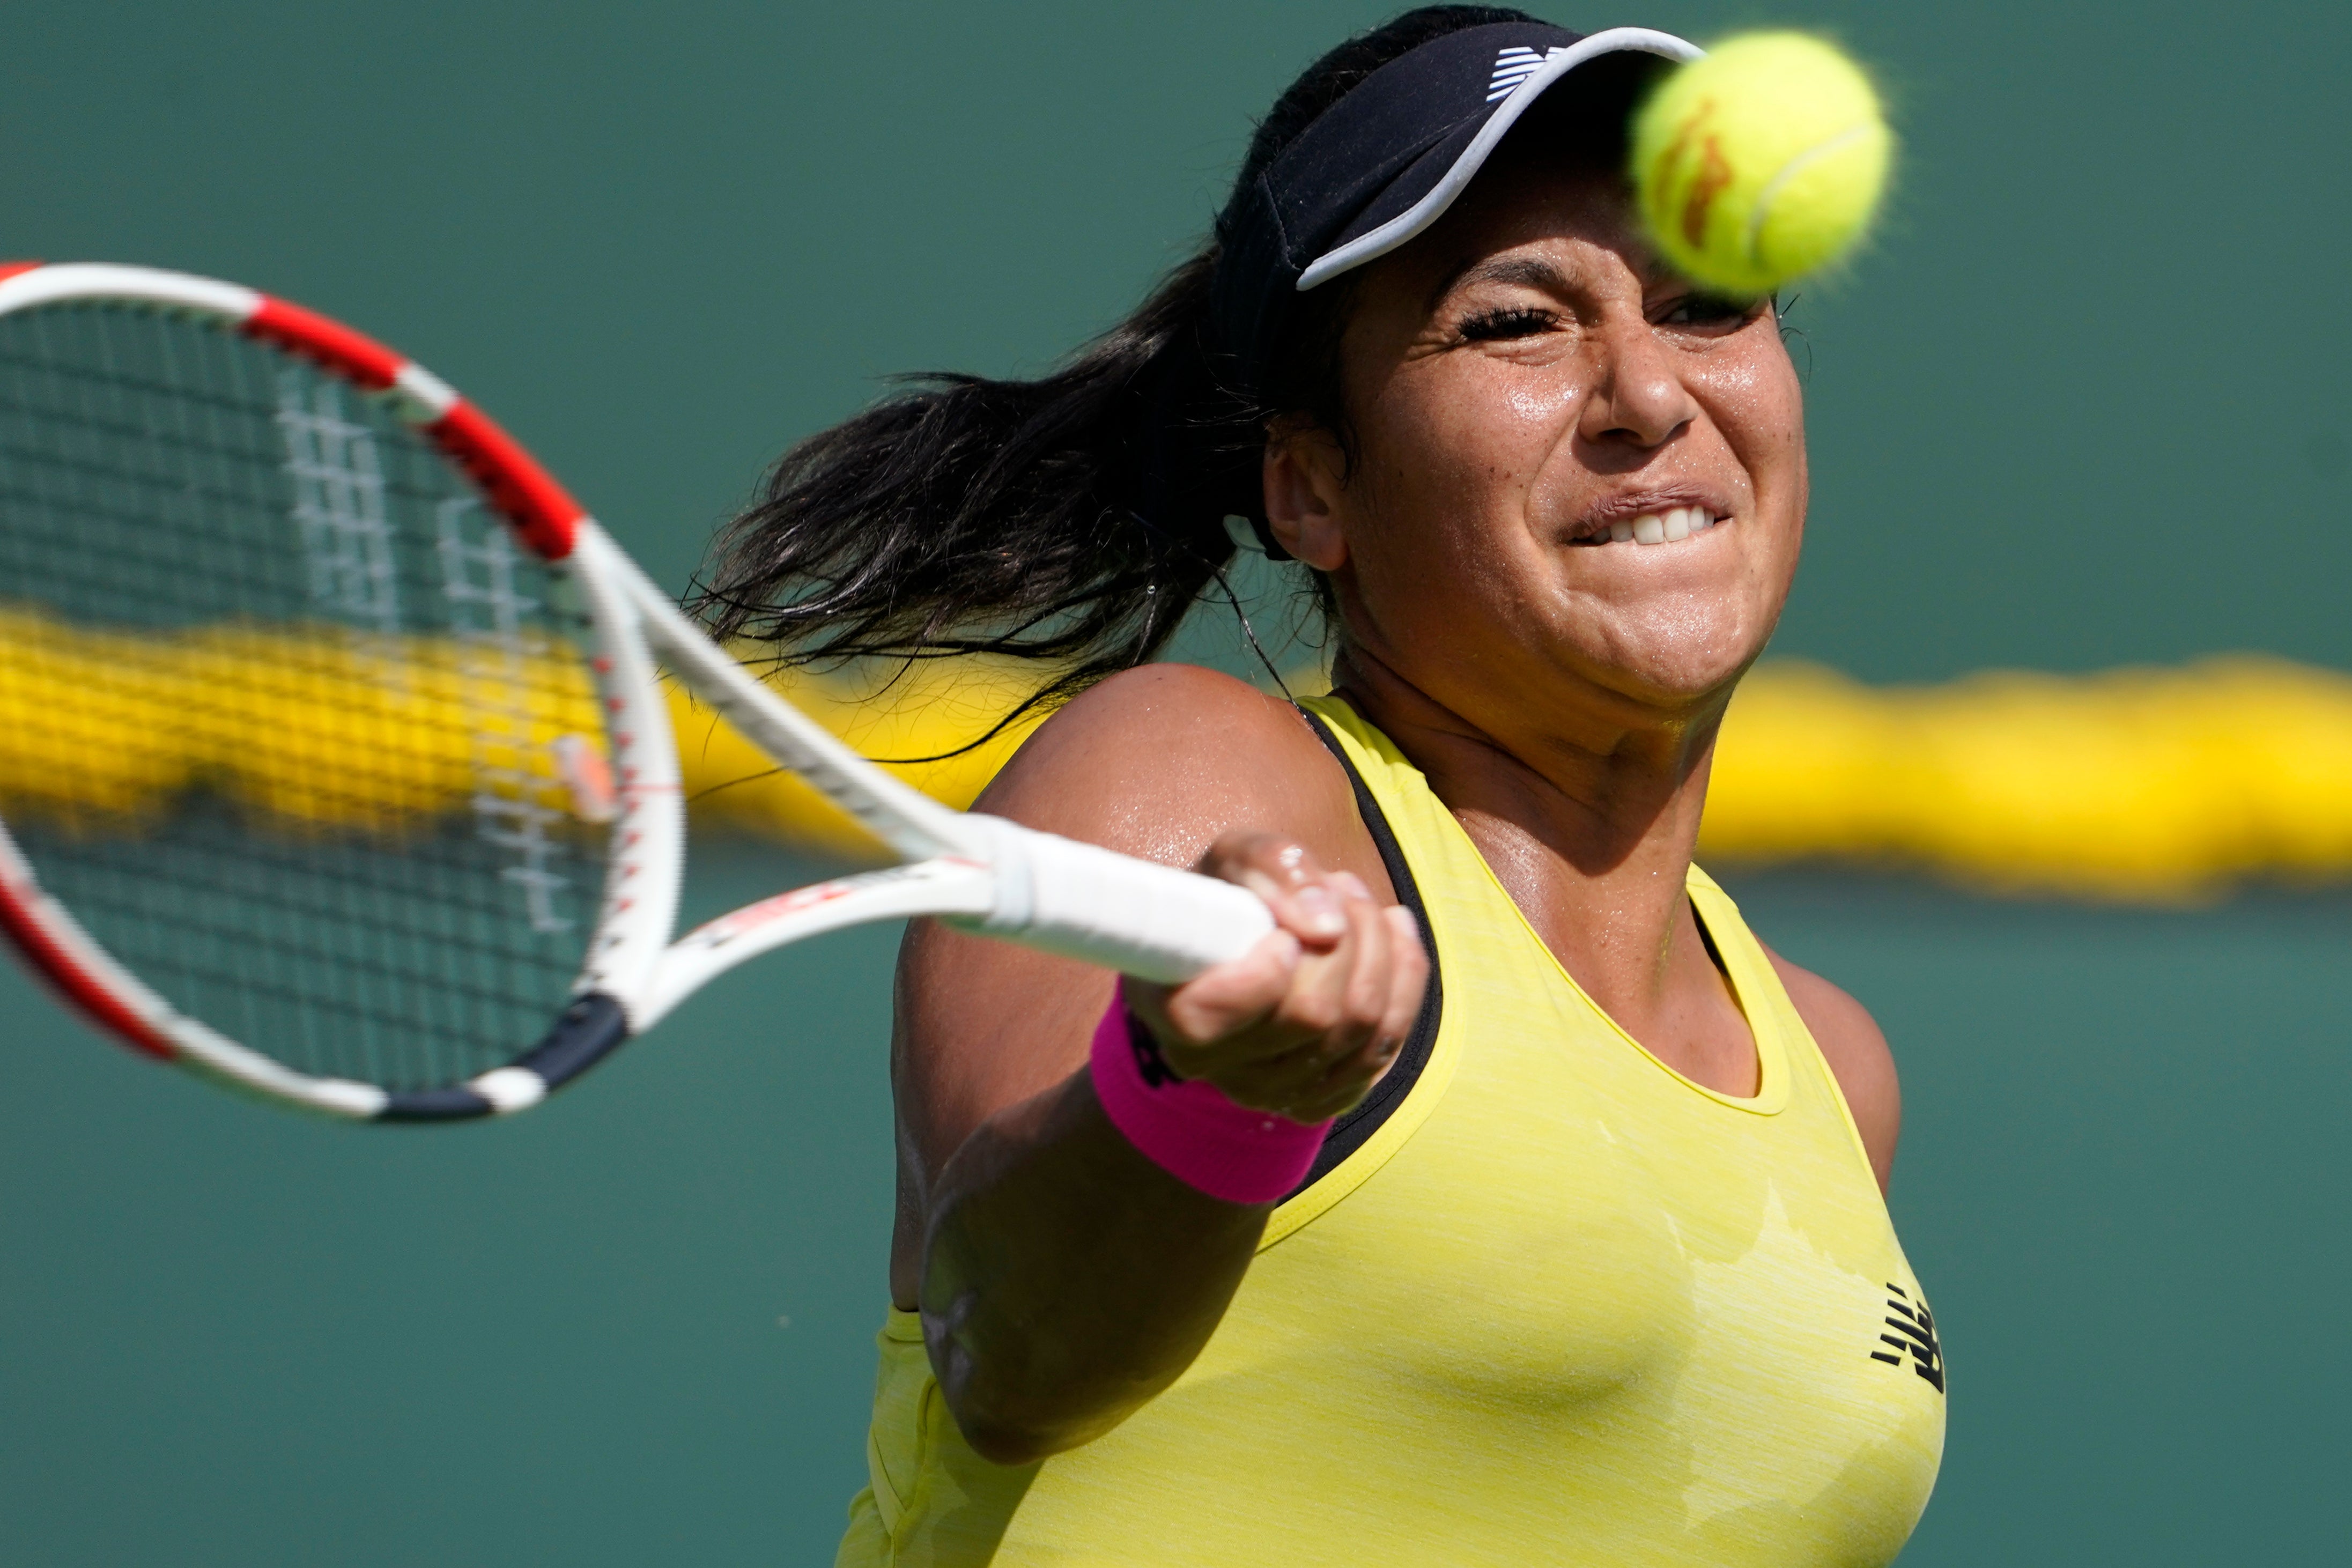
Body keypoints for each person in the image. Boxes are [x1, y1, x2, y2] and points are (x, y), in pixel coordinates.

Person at [700, 9, 1946, 1564]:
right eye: (1511, 324)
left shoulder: (1834, 1066)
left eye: (1706, 303)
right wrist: (1203, 1094)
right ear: (1311, 485)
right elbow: (1002, 1354)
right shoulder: (1192, 775)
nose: (1643, 390)